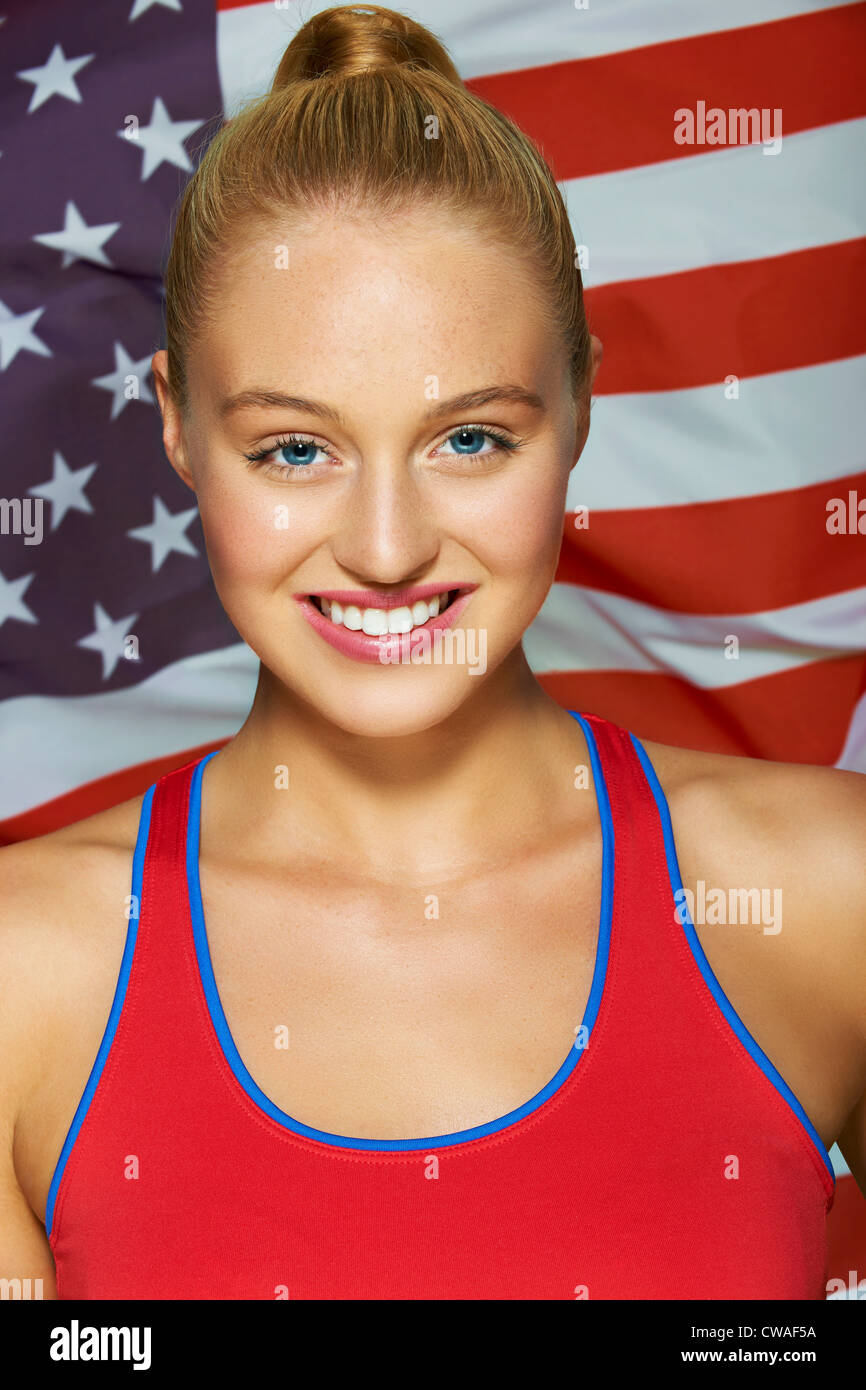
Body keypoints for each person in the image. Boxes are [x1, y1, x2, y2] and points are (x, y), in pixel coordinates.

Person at [1, 4, 864, 1301]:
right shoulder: (25, 973)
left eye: (470, 439)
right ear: (177, 426)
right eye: (294, 449)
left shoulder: (827, 894)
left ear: (579, 402)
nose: (389, 548)